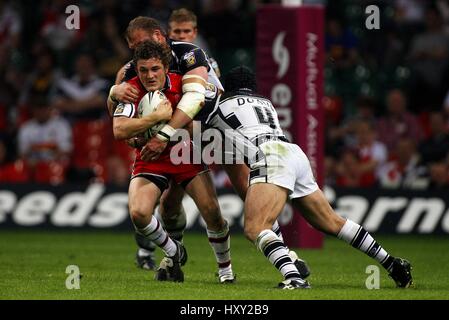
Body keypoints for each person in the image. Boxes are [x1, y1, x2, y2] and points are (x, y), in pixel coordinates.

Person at [107, 16, 307, 278]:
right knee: (169, 204)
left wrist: (164, 132)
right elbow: (117, 118)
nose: (137, 53)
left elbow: (195, 99)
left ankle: (283, 252)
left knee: (246, 188)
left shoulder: (189, 54)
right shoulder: (134, 69)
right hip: (178, 138)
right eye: (133, 48)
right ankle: (172, 258)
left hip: (210, 129)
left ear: (158, 35)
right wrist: (113, 93)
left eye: (139, 45)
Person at [198, 66, 413, 289]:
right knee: (332, 221)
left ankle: (294, 278)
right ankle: (392, 263)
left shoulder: (220, 105)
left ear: (228, 89)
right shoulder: (265, 102)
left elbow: (193, 112)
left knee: (255, 228)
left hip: (269, 156)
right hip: (293, 153)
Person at [112, 40, 235, 283]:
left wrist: (172, 131)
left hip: (185, 154)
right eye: (143, 70)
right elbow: (119, 130)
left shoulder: (186, 86)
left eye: (155, 69)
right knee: (139, 213)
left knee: (212, 213)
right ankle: (173, 250)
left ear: (166, 67)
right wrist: (155, 118)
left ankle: (225, 271)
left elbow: (202, 116)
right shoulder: (131, 90)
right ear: (136, 70)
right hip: (151, 158)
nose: (149, 75)